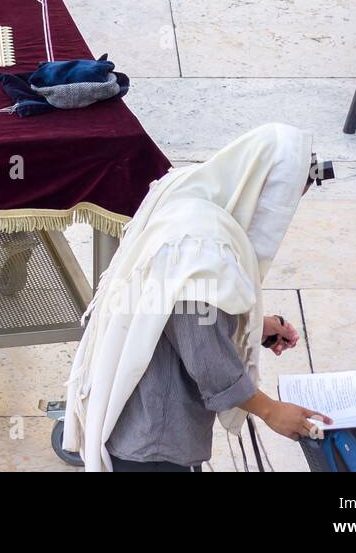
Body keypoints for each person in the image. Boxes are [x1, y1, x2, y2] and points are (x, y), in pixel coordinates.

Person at [62, 123, 333, 471]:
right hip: (154, 436)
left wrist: (254, 325)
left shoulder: (189, 193)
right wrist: (272, 411)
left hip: (135, 415)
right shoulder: (200, 249)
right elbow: (207, 359)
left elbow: (177, 308)